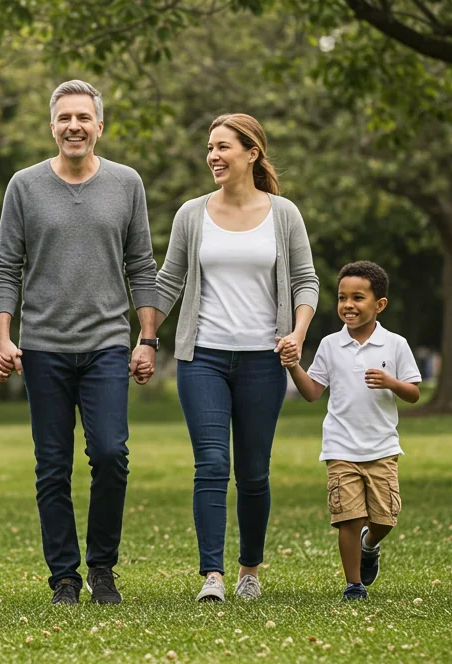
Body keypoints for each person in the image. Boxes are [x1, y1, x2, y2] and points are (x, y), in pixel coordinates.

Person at [0, 80, 159, 606]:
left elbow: (142, 266)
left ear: (99, 126)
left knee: (110, 454)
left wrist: (148, 339)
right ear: (52, 126)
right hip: (43, 346)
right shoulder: (24, 186)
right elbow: (5, 268)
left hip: (108, 343)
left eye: (83, 117)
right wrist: (2, 337)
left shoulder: (127, 183)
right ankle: (64, 576)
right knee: (52, 465)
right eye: (64, 118)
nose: (74, 126)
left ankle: (102, 568)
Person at [146, 113, 318, 602]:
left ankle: (249, 571)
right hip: (203, 357)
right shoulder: (191, 214)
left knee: (254, 472)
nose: (213, 156)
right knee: (211, 464)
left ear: (252, 153)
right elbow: (168, 281)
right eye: (210, 147)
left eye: (223, 147)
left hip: (264, 360)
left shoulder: (284, 214)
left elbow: (305, 280)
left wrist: (297, 333)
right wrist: (146, 337)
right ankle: (212, 576)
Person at [283, 261, 421, 601]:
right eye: (342, 297)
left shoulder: (395, 344)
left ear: (379, 304)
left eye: (358, 298)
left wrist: (391, 382)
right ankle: (354, 584)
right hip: (340, 447)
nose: (348, 305)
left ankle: (369, 545)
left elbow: (414, 393)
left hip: (382, 448)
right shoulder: (330, 345)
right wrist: (293, 365)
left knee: (384, 519)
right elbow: (312, 392)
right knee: (349, 517)